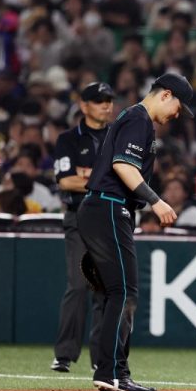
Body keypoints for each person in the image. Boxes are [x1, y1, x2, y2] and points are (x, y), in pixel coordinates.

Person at [77, 72, 193, 391]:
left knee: (117, 293)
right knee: (124, 292)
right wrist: (156, 201)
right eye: (179, 107)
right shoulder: (138, 118)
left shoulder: (138, 120)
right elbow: (123, 166)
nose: (178, 115)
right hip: (109, 206)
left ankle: (111, 372)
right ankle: (112, 373)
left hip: (106, 208)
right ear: (166, 95)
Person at [50, 82, 115, 373]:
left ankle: (100, 359)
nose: (106, 105)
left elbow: (127, 177)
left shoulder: (117, 136)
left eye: (108, 100)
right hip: (78, 217)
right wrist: (104, 179)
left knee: (104, 289)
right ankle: (64, 354)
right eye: (99, 100)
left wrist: (86, 177)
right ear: (84, 105)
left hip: (107, 219)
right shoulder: (69, 139)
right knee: (78, 286)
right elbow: (65, 180)